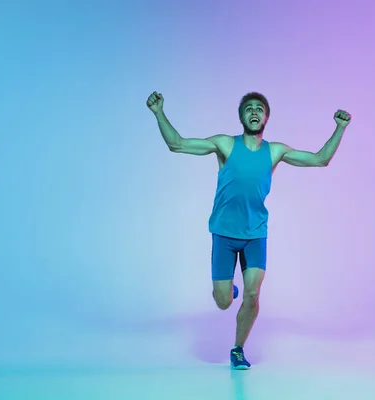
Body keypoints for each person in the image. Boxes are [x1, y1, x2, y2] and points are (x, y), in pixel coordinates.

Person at [146, 91, 351, 369]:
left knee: (253, 294)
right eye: (248, 108)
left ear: (266, 117)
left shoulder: (275, 150)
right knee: (222, 302)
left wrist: (339, 127)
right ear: (241, 116)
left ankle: (238, 349)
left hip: (255, 233)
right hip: (224, 233)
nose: (254, 112)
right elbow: (177, 144)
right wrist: (159, 112)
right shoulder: (225, 144)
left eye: (259, 108)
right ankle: (228, 289)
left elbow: (319, 159)